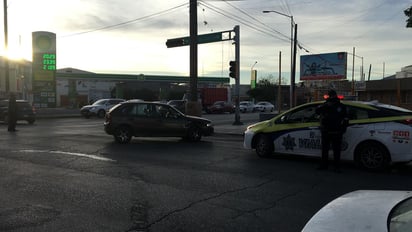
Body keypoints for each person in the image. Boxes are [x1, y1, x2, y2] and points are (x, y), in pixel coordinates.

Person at [315, 89, 348, 172]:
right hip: (329, 130)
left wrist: (343, 129)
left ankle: (333, 166)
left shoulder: (340, 106)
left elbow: (346, 118)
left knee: (333, 150)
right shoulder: (327, 105)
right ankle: (328, 165)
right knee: (328, 150)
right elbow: (317, 111)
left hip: (334, 131)